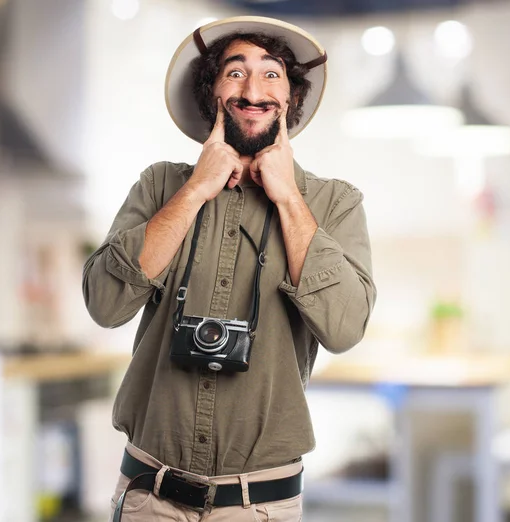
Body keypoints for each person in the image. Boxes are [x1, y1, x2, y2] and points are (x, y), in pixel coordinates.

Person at [82, 16, 376, 522]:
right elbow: (105, 306)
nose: (253, 88)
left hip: (260, 505)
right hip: (148, 496)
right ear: (212, 94)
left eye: (271, 73)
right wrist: (197, 189)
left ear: (291, 99)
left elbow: (345, 328)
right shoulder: (159, 186)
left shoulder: (334, 203)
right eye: (235, 72)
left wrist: (286, 196)